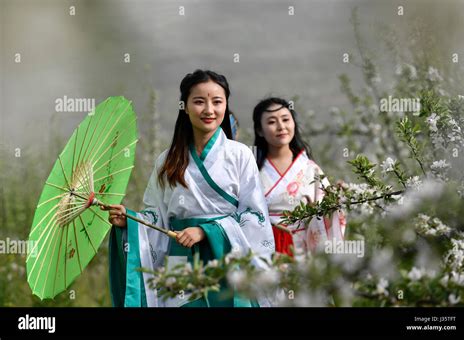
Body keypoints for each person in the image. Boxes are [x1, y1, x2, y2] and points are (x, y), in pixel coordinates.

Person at [105, 70, 275, 307]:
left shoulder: (240, 155)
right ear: (184, 106)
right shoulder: (167, 160)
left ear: (226, 105)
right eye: (198, 101)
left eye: (217, 102)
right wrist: (131, 221)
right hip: (180, 260)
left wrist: (208, 231)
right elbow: (157, 217)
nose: (209, 110)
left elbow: (255, 217)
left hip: (226, 257)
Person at [253, 97, 346, 257]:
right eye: (271, 122)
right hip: (265, 252)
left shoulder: (311, 170)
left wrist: (336, 202)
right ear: (260, 130)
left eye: (285, 119)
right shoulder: (251, 170)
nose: (281, 126)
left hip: (303, 252)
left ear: (293, 123)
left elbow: (327, 220)